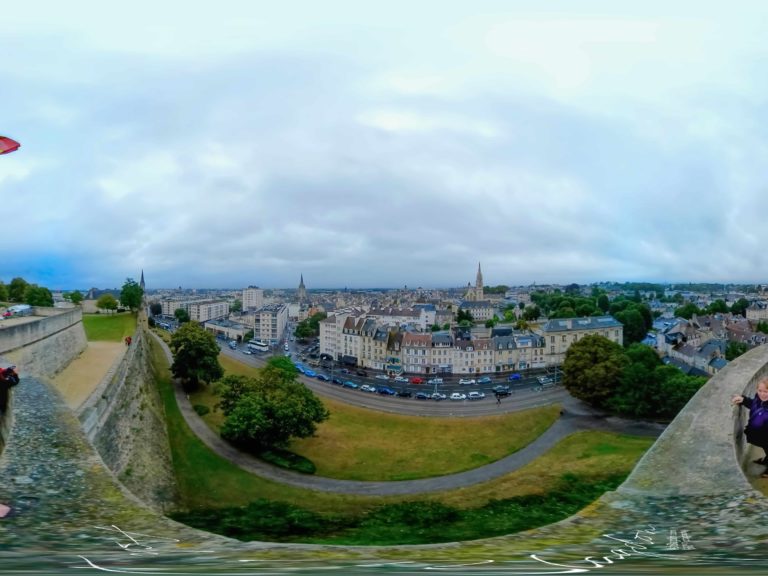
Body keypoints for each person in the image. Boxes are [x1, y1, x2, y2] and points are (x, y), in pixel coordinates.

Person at [732, 378, 768, 478]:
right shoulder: (758, 399)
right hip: (761, 436)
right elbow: (754, 405)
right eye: (760, 391)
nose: (762, 394)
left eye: (766, 391)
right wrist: (744, 400)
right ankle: (766, 460)